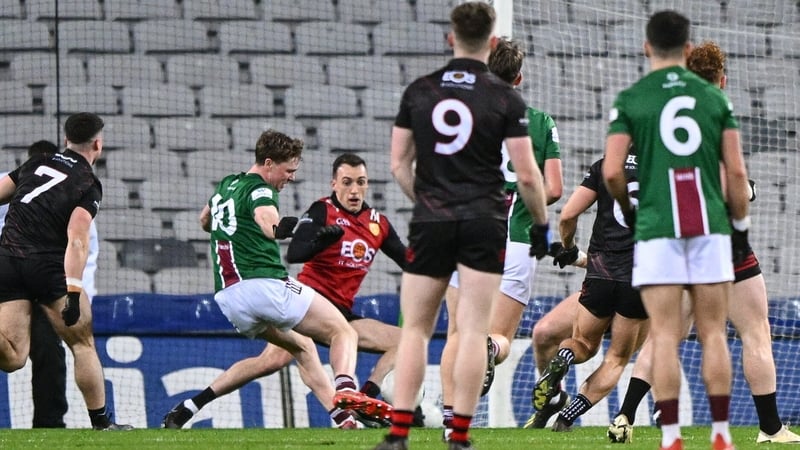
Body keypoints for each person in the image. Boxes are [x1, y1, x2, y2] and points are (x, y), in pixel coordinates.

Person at [372, 3, 551, 449]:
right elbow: (529, 176)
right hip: (484, 223)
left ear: (450, 38)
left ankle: (397, 436)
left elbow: (398, 164)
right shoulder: (506, 98)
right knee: (473, 331)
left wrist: (428, 200)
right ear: (492, 41)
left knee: (417, 329)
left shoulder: (420, 90)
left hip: (433, 220)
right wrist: (543, 226)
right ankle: (460, 437)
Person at [608, 41, 800, 445]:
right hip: (719, 242)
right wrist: (747, 191)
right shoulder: (714, 114)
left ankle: (625, 413)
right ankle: (769, 427)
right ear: (722, 81)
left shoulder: (656, 119)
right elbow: (732, 185)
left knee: (667, 334)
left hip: (674, 241)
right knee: (753, 331)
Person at [162, 131, 392, 430]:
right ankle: (347, 388)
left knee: (301, 349)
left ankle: (343, 420)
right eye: (288, 170)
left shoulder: (226, 185)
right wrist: (292, 228)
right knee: (342, 332)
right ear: (269, 163)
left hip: (230, 298)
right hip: (265, 286)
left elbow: (205, 220)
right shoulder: (260, 190)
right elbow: (269, 222)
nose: (291, 178)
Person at [602, 11, 751, 450]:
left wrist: (629, 208)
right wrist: (739, 226)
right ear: (688, 50)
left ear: (647, 47)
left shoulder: (631, 99)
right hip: (708, 229)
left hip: (657, 231)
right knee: (713, 334)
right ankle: (722, 434)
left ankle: (671, 438)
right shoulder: (714, 99)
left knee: (665, 336)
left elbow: (612, 171)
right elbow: (737, 175)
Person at [439, 36, 563, 439]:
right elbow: (556, 188)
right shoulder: (540, 122)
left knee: (457, 332)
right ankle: (491, 351)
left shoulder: (461, 119)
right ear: (519, 78)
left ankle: (449, 418)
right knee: (498, 336)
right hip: (517, 238)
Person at [0, 112, 130, 430]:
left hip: (7, 259)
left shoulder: (36, 163)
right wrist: (73, 290)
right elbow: (77, 240)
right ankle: (101, 423)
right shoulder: (88, 184)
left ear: (65, 140)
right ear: (98, 145)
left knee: (13, 355)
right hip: (47, 268)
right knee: (82, 343)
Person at [523, 151, 649, 433]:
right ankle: (568, 415)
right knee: (617, 358)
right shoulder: (664, 169)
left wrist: (570, 249)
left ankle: (564, 359)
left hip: (600, 274)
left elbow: (568, 215)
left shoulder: (606, 165)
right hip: (642, 278)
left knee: (580, 342)